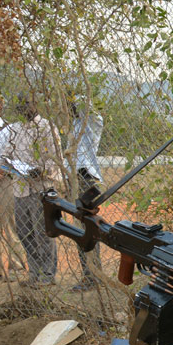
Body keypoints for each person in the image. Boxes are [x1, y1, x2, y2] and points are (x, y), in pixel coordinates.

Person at [0, 95, 61, 287]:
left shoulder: (47, 128)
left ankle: (48, 275)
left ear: (36, 105)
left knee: (42, 233)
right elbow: (5, 154)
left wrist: (42, 171)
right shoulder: (15, 128)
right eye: (20, 105)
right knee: (24, 232)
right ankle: (34, 272)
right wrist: (2, 165)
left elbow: (55, 159)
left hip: (40, 188)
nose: (23, 108)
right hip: (19, 188)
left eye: (27, 104)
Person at [70, 98, 105, 292]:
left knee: (88, 227)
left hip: (86, 179)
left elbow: (96, 118)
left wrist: (80, 101)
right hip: (74, 180)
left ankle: (93, 274)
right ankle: (88, 273)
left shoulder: (89, 126)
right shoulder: (73, 127)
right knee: (80, 229)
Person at [0, 99, 24, 280]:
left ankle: (16, 264)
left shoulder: (8, 129)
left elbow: (15, 154)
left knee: (9, 224)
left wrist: (1, 168)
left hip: (4, 180)